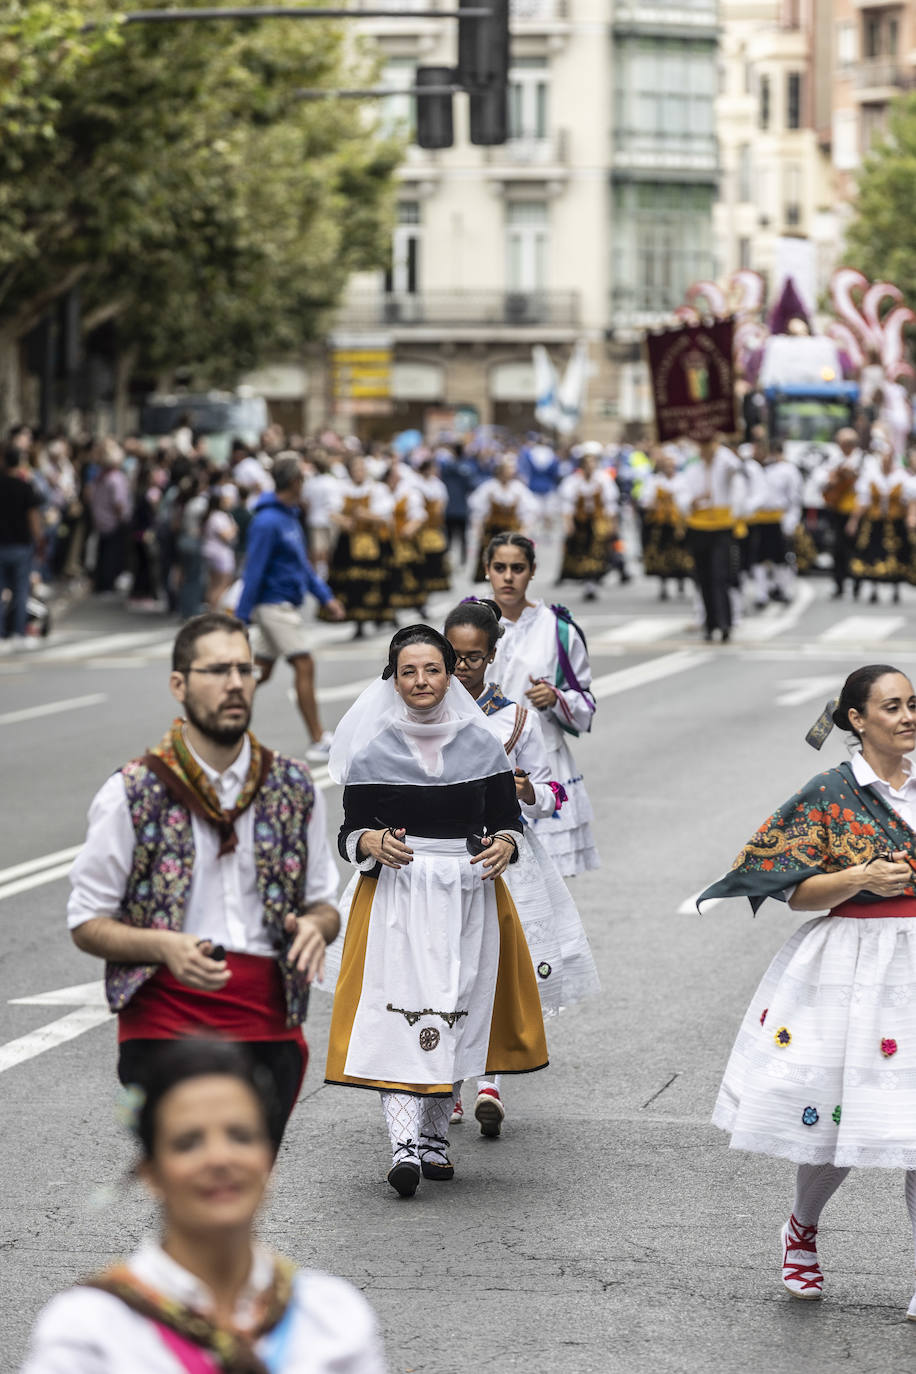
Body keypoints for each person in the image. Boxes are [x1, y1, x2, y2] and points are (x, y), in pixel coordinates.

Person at [67, 612, 340, 1149]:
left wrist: (316, 927)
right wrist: (163, 945)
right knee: (194, 1187)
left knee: (244, 1189)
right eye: (217, 670)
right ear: (179, 684)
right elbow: (86, 922)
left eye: (245, 668)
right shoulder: (134, 791)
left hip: (269, 1025)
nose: (236, 683)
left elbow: (323, 903)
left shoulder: (291, 786)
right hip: (163, 1024)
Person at [698, 664, 916, 1312]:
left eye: (913, 705)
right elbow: (789, 890)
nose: (907, 717)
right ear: (856, 719)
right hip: (853, 965)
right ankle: (802, 1226)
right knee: (837, 1119)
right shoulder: (831, 792)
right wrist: (859, 878)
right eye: (893, 707)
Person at [324, 625, 548, 1196]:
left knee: (452, 1007)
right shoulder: (372, 750)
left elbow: (507, 822)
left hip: (467, 894)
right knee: (399, 1013)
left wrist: (505, 844)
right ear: (392, 679)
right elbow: (350, 834)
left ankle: (433, 1139)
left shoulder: (481, 746)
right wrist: (371, 844)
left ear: (450, 675)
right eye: (408, 671)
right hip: (398, 897)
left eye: (431, 670)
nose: (421, 681)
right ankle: (403, 1145)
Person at [19, 1038, 386, 1372]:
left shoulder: (331, 1319)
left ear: (267, 1159)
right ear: (151, 1173)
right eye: (188, 1142)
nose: (219, 1158)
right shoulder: (90, 1334)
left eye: (241, 1136)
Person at [442, 597, 600, 1134]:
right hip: (438, 859)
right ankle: (449, 1087)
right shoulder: (420, 712)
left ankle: (489, 1082)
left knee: (495, 968)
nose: (461, 669)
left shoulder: (516, 719)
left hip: (503, 857)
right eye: (453, 657)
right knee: (449, 970)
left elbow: (553, 788)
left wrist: (530, 789)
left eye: (473, 659)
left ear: (491, 657)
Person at [484, 533, 599, 877]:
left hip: (543, 764)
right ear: (486, 569)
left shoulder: (558, 629)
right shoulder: (468, 624)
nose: (508, 577)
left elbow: (586, 705)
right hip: (482, 763)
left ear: (532, 571)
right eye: (499, 567)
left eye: (517, 568)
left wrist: (557, 698)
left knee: (547, 887)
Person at [236, 456, 345, 764]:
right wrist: (240, 619)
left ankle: (223, 726)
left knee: (259, 671)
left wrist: (325, 597)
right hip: (273, 606)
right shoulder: (267, 522)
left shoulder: (288, 517)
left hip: (284, 604)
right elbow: (253, 571)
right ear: (295, 482)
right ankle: (317, 738)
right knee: (304, 663)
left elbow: (303, 566)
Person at [674, 435, 744, 643]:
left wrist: (720, 448)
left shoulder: (724, 464)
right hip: (699, 527)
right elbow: (682, 496)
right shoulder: (692, 469)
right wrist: (693, 501)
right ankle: (709, 622)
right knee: (703, 577)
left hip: (722, 527)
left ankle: (725, 623)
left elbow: (736, 467)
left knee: (719, 575)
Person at [324, 454, 396, 639]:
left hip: (371, 541)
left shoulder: (377, 489)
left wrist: (366, 515)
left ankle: (379, 614)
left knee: (374, 580)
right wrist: (344, 521)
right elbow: (331, 511)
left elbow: (386, 515)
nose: (359, 472)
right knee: (352, 582)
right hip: (348, 543)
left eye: (361, 468)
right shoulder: (342, 488)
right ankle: (358, 621)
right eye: (355, 469)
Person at [847, 433, 916, 605]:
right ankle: (873, 588)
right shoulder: (871, 477)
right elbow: (863, 501)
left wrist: (911, 518)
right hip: (875, 522)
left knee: (896, 555)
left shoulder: (902, 477)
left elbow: (909, 501)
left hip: (894, 523)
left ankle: (895, 588)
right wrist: (854, 521)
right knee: (873, 554)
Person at [746, 437, 802, 608]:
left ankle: (783, 589)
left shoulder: (787, 470)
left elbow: (794, 497)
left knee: (781, 557)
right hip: (757, 518)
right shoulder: (753, 469)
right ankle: (761, 593)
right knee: (758, 557)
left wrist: (791, 521)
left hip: (778, 518)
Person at [555, 451, 619, 600]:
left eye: (593, 464)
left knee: (598, 551)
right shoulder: (572, 481)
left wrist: (612, 523)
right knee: (581, 550)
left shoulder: (604, 480)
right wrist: (568, 523)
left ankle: (593, 580)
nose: (591, 468)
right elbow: (567, 505)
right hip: (581, 522)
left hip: (598, 522)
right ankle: (586, 580)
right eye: (587, 465)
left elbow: (610, 504)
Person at [817, 427, 870, 600]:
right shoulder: (834, 460)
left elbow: (865, 491)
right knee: (837, 548)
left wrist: (854, 519)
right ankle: (839, 583)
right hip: (836, 509)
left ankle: (856, 583)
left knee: (855, 548)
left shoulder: (864, 461)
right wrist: (831, 480)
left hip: (855, 511)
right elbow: (821, 481)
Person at [0, 444, 44, 648]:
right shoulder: (25, 487)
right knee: (20, 590)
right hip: (20, 545)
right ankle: (18, 632)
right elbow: (33, 517)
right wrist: (39, 539)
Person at [468, 455, 537, 582]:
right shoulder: (489, 487)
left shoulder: (518, 488)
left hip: (511, 531)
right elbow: (478, 511)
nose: (510, 472)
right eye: (507, 469)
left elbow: (528, 510)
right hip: (493, 531)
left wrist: (524, 529)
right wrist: (477, 529)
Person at [638, 446, 691, 600]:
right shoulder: (655, 481)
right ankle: (664, 584)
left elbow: (686, 501)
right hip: (660, 524)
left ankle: (681, 581)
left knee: (680, 552)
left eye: (671, 464)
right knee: (661, 553)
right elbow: (645, 500)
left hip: (677, 523)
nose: (669, 467)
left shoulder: (682, 480)